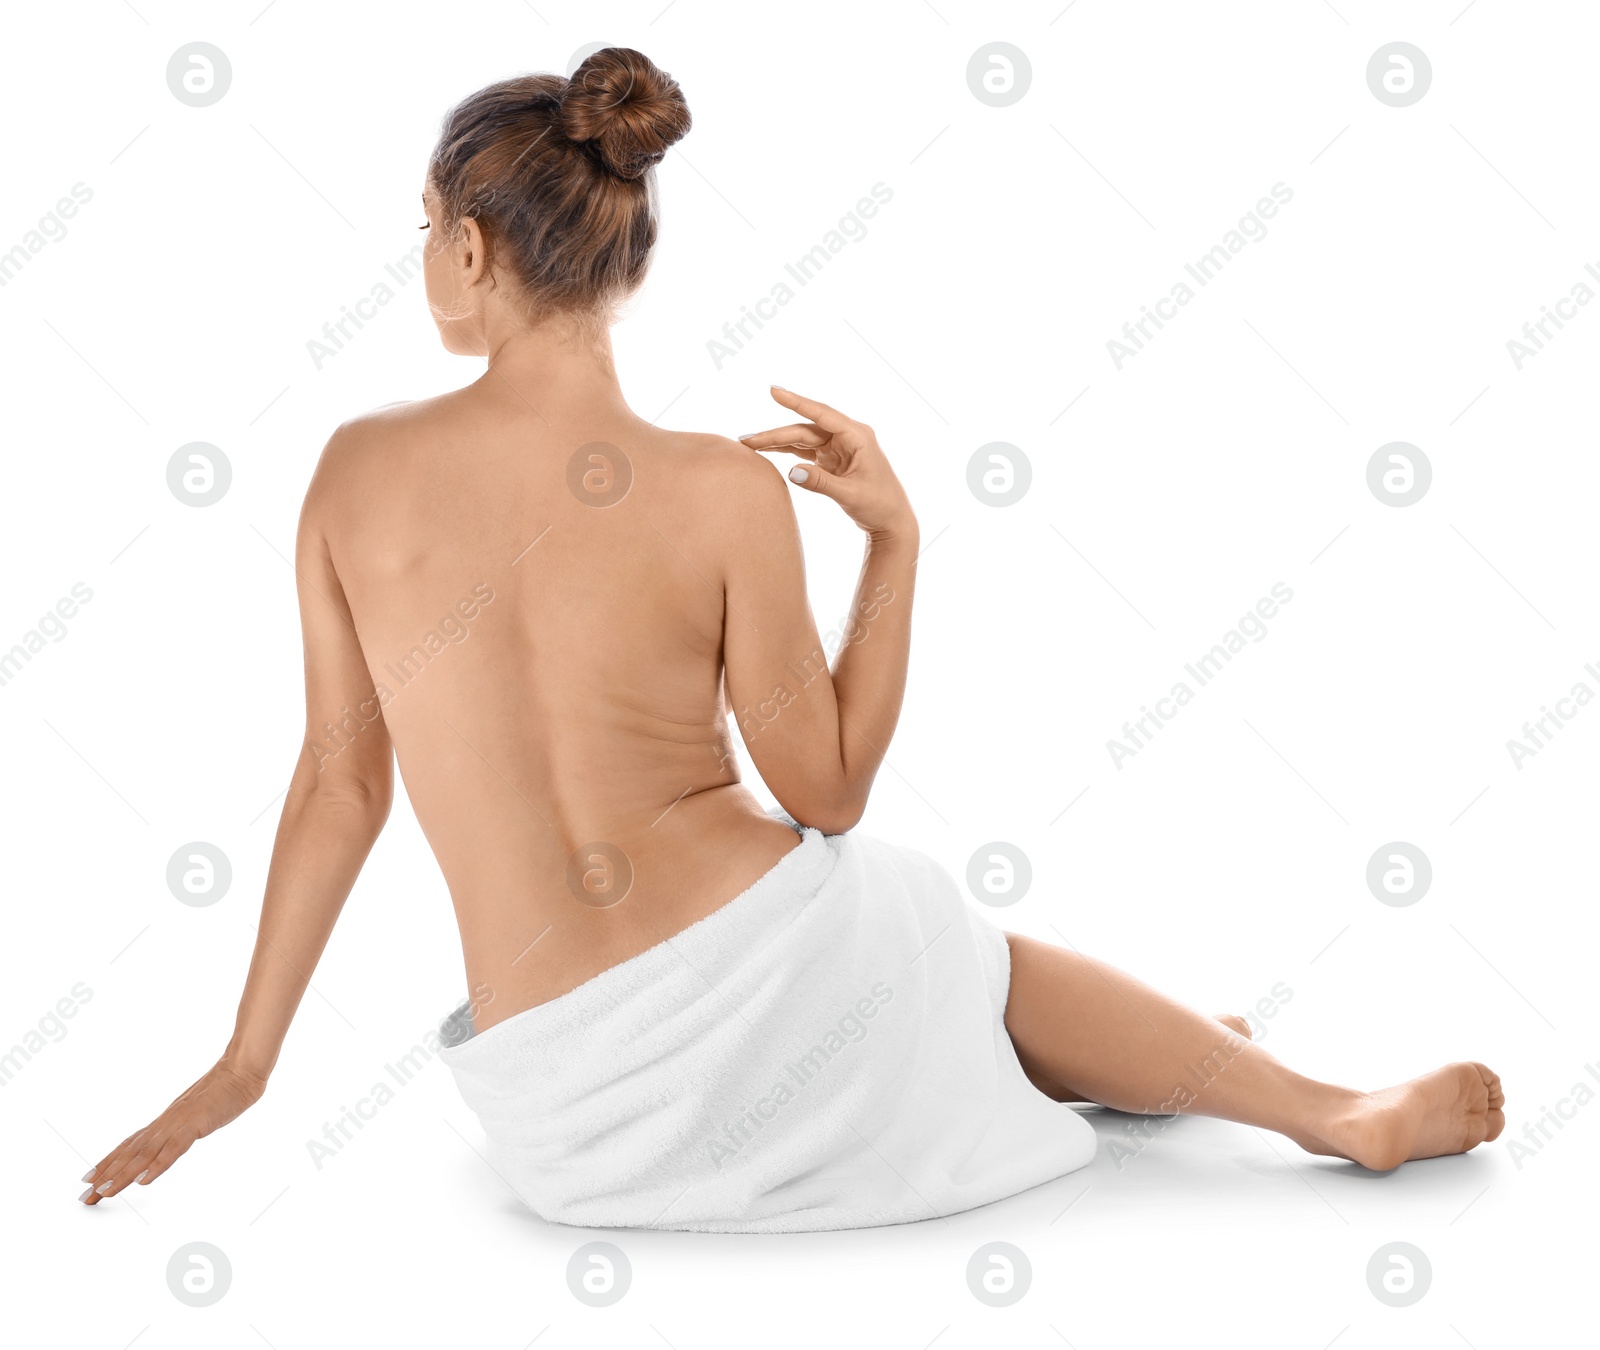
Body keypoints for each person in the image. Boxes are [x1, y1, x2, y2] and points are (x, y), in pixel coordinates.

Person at [80, 48, 1503, 1224]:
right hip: (792, 988)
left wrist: (244, 1061)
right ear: (624, 258)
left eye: (423, 235)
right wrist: (894, 542)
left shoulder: (350, 475)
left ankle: (1140, 1057)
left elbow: (340, 786)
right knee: (950, 938)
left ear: (468, 245)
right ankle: (1323, 1107)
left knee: (936, 962)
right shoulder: (721, 487)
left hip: (577, 1118)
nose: (425, 264)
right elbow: (825, 796)